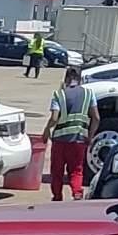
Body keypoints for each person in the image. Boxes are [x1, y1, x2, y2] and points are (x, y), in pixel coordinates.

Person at [44, 64, 97, 199]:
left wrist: (46, 130)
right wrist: (90, 136)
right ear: (80, 79)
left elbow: (54, 117)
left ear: (66, 79)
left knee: (57, 171)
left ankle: (57, 196)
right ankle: (77, 193)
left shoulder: (59, 94)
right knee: (76, 170)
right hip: (79, 139)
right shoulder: (89, 94)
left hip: (60, 141)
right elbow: (96, 117)